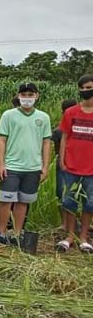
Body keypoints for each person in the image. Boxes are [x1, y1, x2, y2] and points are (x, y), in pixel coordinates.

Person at [0, 83, 51, 245]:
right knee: (5, 200)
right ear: (18, 96)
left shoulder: (43, 117)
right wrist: (1, 164)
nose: (27, 98)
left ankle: (16, 234)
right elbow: (1, 140)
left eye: (30, 94)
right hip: (12, 166)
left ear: (37, 96)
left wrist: (44, 167)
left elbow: (46, 143)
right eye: (24, 94)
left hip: (32, 167)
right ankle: (1, 233)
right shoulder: (8, 115)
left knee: (23, 201)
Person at [57, 77, 93, 253]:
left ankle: (84, 237)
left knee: (89, 204)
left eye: (89, 87)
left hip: (91, 169)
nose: (86, 90)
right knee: (69, 202)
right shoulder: (70, 112)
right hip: (71, 166)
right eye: (83, 88)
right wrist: (61, 159)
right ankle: (69, 236)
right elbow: (64, 136)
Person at [52, 99, 77, 238]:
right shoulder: (59, 130)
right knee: (61, 192)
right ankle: (64, 223)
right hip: (63, 163)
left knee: (76, 194)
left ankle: (71, 223)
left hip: (79, 164)